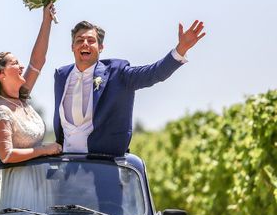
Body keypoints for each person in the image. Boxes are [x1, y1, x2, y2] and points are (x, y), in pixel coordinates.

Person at [54, 20, 206, 156]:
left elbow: (154, 73)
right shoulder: (62, 75)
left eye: (91, 40)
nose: (85, 43)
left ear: (100, 47)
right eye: (79, 40)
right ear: (72, 46)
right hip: (66, 167)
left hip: (103, 167)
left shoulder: (118, 73)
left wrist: (180, 49)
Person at [0, 4, 62, 163]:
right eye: (15, 63)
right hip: (17, 182)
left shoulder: (20, 98)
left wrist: (46, 21)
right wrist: (44, 150)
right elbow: (6, 155)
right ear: (2, 74)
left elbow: (37, 61)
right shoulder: (2, 110)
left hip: (37, 179)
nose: (22, 66)